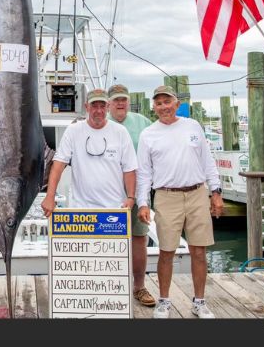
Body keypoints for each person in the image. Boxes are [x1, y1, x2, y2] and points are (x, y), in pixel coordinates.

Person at [136, 85, 223, 319]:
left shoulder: (193, 126)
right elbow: (144, 173)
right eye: (159, 103)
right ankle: (164, 300)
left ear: (177, 103)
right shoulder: (148, 134)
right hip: (166, 196)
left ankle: (200, 301)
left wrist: (216, 191)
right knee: (166, 251)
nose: (164, 107)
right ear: (154, 107)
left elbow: (208, 161)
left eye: (168, 102)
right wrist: (143, 202)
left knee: (199, 250)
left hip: (197, 193)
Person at [41, 88, 138, 226]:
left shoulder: (120, 132)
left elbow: (129, 168)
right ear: (87, 107)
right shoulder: (73, 131)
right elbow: (58, 165)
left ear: (108, 107)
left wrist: (130, 197)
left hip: (115, 209)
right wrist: (50, 196)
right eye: (94, 105)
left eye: (102, 106)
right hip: (81, 210)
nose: (98, 110)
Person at [106, 83, 155, 307]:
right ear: (108, 104)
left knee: (139, 238)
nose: (120, 103)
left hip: (138, 192)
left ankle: (139, 287)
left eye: (123, 99)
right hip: (107, 193)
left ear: (128, 101)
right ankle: (107, 286)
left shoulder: (142, 122)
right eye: (116, 100)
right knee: (106, 240)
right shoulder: (98, 123)